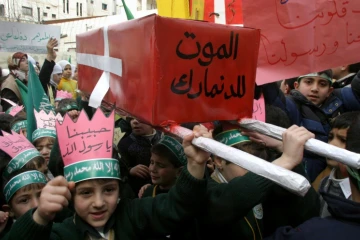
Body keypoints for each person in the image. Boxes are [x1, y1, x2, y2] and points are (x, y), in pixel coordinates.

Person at [2, 118, 210, 239]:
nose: (99, 203)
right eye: (85, 192)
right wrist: (39, 217)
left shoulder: (134, 215)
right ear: (70, 193)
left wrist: (196, 164)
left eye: (109, 190)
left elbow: (178, 206)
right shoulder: (61, 234)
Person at [265, 116, 360, 239]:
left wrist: (286, 160)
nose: (332, 145)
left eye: (343, 140)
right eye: (330, 137)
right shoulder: (325, 182)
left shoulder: (312, 233)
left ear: (345, 164)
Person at [262, 70, 360, 182]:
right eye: (308, 82)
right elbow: (273, 95)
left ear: (330, 90)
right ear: (296, 86)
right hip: (299, 177)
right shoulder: (291, 105)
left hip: (333, 180)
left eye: (322, 84)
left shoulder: (340, 102)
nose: (315, 89)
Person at [118, 118, 162, 195]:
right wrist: (130, 171)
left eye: (140, 118)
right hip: (138, 192)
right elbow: (120, 169)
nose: (135, 121)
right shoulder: (124, 144)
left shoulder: (164, 139)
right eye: (131, 119)